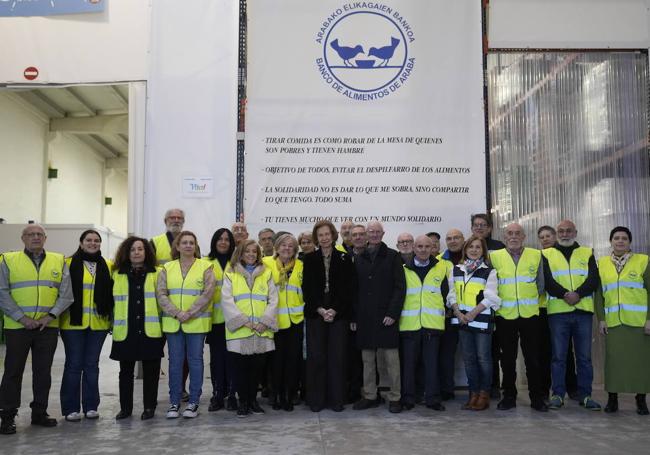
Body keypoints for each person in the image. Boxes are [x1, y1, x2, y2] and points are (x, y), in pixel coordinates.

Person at [0, 224, 73, 435]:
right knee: (13, 371)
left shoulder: (58, 260)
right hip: (17, 327)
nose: (35, 237)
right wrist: (21, 318)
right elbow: (2, 292)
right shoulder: (7, 260)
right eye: (31, 234)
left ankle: (39, 412)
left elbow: (66, 294)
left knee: (43, 372)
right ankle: (7, 415)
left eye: (39, 234)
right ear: (23, 238)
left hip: (47, 327)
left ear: (45, 238)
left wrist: (49, 316)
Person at [542, 219, 601, 410]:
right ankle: (557, 394)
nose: (565, 234)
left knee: (584, 357)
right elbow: (547, 281)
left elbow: (593, 279)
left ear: (575, 233)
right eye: (561, 231)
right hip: (558, 312)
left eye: (569, 231)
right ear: (557, 233)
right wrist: (565, 295)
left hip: (582, 311)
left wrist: (578, 294)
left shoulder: (587, 252)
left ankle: (585, 395)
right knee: (558, 357)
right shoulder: (546, 254)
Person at [157, 231, 215, 419]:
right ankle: (174, 402)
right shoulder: (167, 267)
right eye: (184, 242)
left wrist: (189, 313)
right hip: (174, 323)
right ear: (178, 246)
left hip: (196, 322)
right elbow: (161, 294)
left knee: (195, 362)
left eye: (191, 242)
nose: (188, 245)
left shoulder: (206, 267)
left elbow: (207, 294)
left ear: (196, 246)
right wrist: (177, 313)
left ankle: (193, 403)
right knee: (174, 363)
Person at [490, 223, 547, 412]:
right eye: (509, 234)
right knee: (507, 359)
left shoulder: (536, 254)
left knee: (533, 358)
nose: (513, 236)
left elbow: (541, 284)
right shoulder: (494, 256)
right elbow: (491, 285)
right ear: (505, 237)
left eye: (517, 233)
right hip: (505, 315)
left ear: (524, 236)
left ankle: (537, 398)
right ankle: (509, 396)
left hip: (530, 315)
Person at [59, 230, 114, 422]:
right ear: (81, 243)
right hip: (72, 324)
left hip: (98, 324)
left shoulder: (107, 265)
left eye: (96, 240)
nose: (93, 243)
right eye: (88, 240)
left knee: (92, 366)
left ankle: (91, 406)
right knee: (73, 365)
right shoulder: (66, 263)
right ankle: (70, 408)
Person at [303, 220, 356, 412]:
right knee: (316, 357)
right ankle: (316, 400)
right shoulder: (309, 259)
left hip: (338, 315)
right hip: (316, 314)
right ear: (316, 238)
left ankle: (336, 400)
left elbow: (348, 290)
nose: (324, 238)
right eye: (320, 235)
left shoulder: (344, 258)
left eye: (327, 234)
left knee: (337, 358)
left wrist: (334, 310)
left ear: (333, 235)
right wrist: (319, 309)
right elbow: (307, 289)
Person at [353, 221, 406, 414]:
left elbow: (400, 288)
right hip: (365, 317)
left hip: (386, 317)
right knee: (367, 360)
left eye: (377, 232)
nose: (374, 235)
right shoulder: (359, 258)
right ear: (367, 234)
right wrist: (355, 316)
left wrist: (393, 313)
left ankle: (395, 397)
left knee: (391, 360)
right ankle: (370, 396)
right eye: (371, 232)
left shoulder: (392, 256)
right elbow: (355, 290)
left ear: (383, 234)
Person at [596, 226, 650, 415]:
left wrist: (649, 319)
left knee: (641, 362)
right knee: (614, 362)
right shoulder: (601, 263)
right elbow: (599, 294)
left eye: (624, 238)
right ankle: (612, 399)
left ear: (630, 242)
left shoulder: (643, 261)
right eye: (616, 238)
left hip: (638, 323)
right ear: (610, 241)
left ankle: (641, 399)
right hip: (613, 323)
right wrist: (601, 319)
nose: (620, 241)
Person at [221, 239, 278, 417]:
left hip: (261, 330)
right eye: (247, 252)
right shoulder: (231, 274)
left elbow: (273, 300)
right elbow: (227, 301)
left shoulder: (266, 273)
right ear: (241, 254)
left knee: (257, 369)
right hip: (241, 330)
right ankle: (243, 402)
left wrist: (264, 322)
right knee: (240, 369)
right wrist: (244, 322)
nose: (251, 255)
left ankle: (253, 401)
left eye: (254, 252)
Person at [110, 237, 164, 420]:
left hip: (151, 330)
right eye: (132, 249)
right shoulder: (116, 273)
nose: (137, 252)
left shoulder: (158, 273)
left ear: (146, 252)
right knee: (125, 373)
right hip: (125, 331)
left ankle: (149, 407)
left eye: (140, 249)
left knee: (151, 372)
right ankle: (125, 409)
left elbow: (163, 301)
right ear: (126, 252)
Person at [447, 235, 500, 411]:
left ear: (483, 251)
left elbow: (491, 297)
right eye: (471, 247)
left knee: (483, 359)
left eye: (478, 247)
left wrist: (471, 314)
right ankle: (473, 393)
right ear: (465, 249)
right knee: (469, 360)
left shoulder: (489, 271)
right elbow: (452, 294)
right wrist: (457, 312)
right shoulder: (456, 269)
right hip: (462, 322)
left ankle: (484, 394)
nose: (474, 250)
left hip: (481, 322)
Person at [400, 235, 449, 411]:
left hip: (432, 325)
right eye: (419, 246)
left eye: (427, 246)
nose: (423, 249)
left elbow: (447, 294)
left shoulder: (442, 267)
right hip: (409, 325)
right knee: (409, 365)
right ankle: (408, 399)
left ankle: (433, 399)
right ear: (413, 248)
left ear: (432, 248)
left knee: (432, 364)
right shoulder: (403, 269)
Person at [263, 234, 304, 411]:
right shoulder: (266, 263)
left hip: (295, 320)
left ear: (295, 250)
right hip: (274, 320)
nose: (287, 249)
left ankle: (289, 394)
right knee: (275, 361)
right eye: (283, 245)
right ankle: (276, 393)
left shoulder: (301, 265)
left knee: (292, 360)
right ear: (277, 247)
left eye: (291, 246)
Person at [537, 225, 578, 401]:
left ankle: (572, 387)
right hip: (542, 310)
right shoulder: (537, 256)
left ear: (555, 237)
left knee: (566, 351)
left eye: (548, 235)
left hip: (562, 308)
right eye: (542, 237)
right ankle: (545, 389)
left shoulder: (564, 255)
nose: (545, 239)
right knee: (545, 351)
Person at [205, 228, 237, 412]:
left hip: (234, 320)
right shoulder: (205, 263)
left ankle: (232, 394)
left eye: (227, 239)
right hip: (214, 320)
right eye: (220, 239)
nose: (223, 242)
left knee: (233, 358)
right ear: (214, 241)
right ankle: (217, 394)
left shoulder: (238, 262)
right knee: (217, 359)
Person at [437, 229, 464, 401]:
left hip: (472, 314)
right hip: (448, 315)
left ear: (463, 239)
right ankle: (446, 389)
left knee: (479, 355)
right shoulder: (439, 261)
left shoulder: (472, 257)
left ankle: (484, 390)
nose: (453, 241)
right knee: (446, 355)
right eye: (449, 239)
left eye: (456, 238)